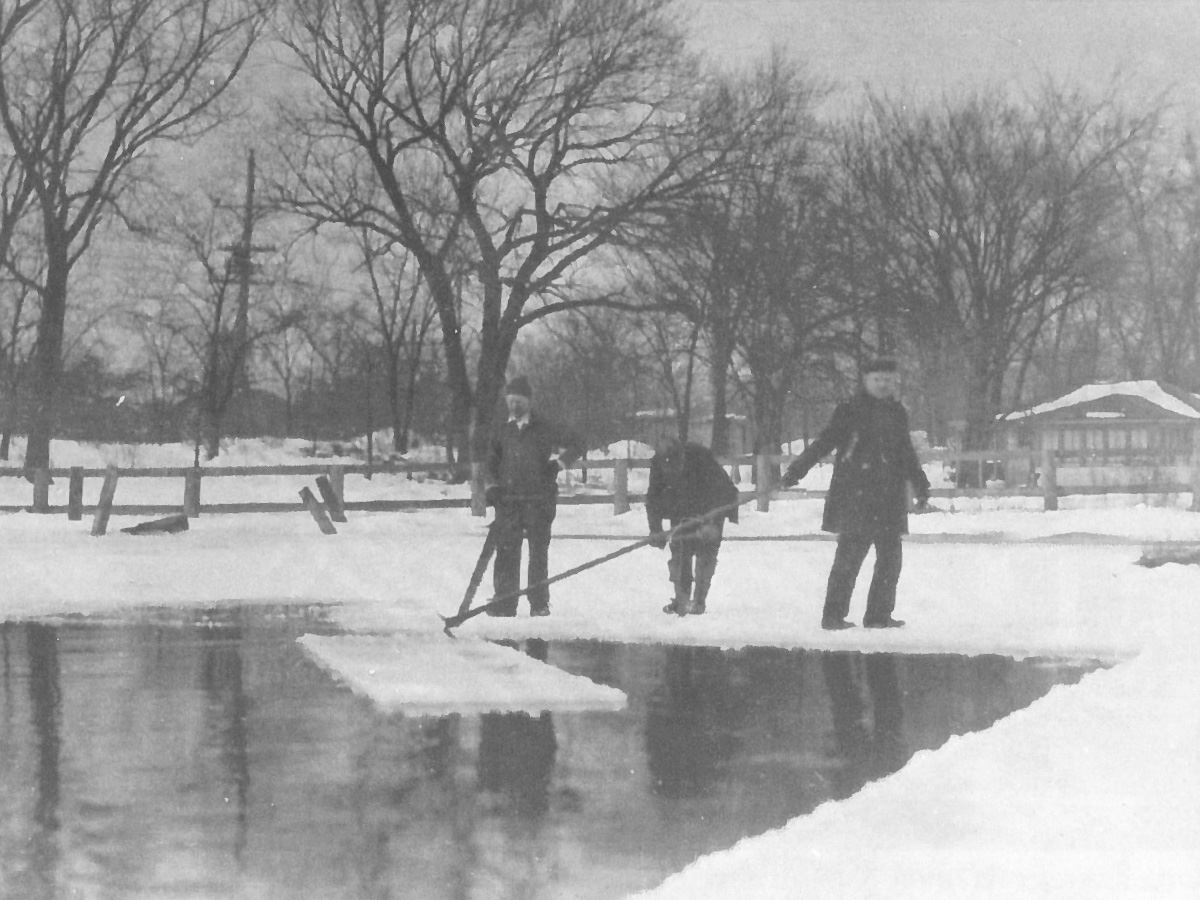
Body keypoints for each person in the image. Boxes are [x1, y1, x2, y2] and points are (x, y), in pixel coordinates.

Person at [781, 357, 930, 630]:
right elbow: (824, 442)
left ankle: (878, 616)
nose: (883, 384)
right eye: (877, 379)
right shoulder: (850, 410)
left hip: (889, 497)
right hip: (856, 496)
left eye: (888, 379)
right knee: (848, 560)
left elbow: (905, 452)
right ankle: (833, 616)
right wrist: (796, 471)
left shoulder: (897, 412)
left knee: (890, 561)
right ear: (866, 381)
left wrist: (920, 485)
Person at [484, 375, 584, 617]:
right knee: (507, 551)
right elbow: (490, 461)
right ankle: (505, 602)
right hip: (508, 501)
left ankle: (539, 603)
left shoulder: (545, 427)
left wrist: (558, 464)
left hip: (539, 501)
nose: (514, 406)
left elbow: (578, 442)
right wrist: (492, 487)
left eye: (519, 401)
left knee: (538, 552)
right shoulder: (501, 429)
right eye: (511, 401)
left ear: (528, 401)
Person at [645, 434, 739, 615]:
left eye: (675, 465)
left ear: (681, 456)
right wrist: (655, 529)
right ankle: (681, 599)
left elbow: (722, 491)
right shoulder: (658, 464)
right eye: (667, 467)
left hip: (712, 505)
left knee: (705, 554)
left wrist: (711, 523)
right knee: (679, 551)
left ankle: (699, 601)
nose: (671, 469)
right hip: (682, 507)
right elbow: (653, 497)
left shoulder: (700, 457)